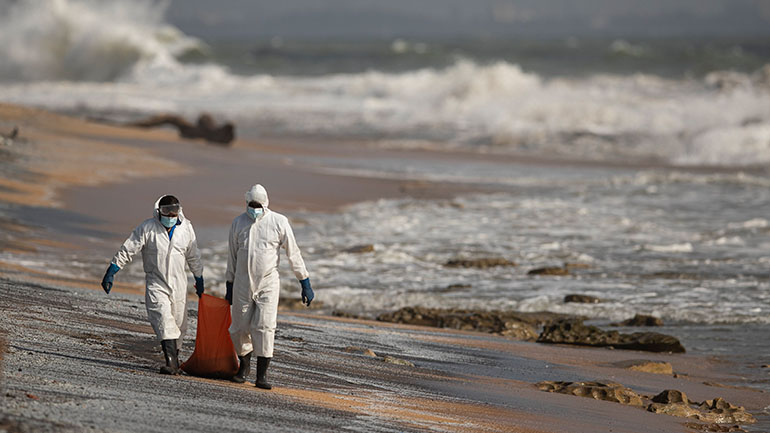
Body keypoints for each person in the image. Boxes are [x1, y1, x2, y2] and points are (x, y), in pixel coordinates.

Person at [100, 195, 204, 375]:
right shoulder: (147, 228)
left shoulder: (186, 228)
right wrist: (112, 270)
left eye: (174, 211)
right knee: (163, 319)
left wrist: (199, 277)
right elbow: (129, 248)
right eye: (166, 211)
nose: (170, 215)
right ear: (159, 211)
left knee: (179, 323)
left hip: (179, 284)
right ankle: (170, 362)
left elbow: (193, 255)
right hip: (156, 283)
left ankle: (175, 358)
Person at [225, 184, 314, 389]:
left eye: (258, 205)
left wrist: (304, 281)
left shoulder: (279, 222)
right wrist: (229, 284)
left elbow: (293, 253)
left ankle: (262, 376)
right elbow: (232, 256)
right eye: (251, 204)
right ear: (246, 203)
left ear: (265, 204)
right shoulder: (238, 223)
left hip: (268, 282)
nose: (254, 208)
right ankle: (244, 367)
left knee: (264, 326)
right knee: (238, 327)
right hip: (241, 283)